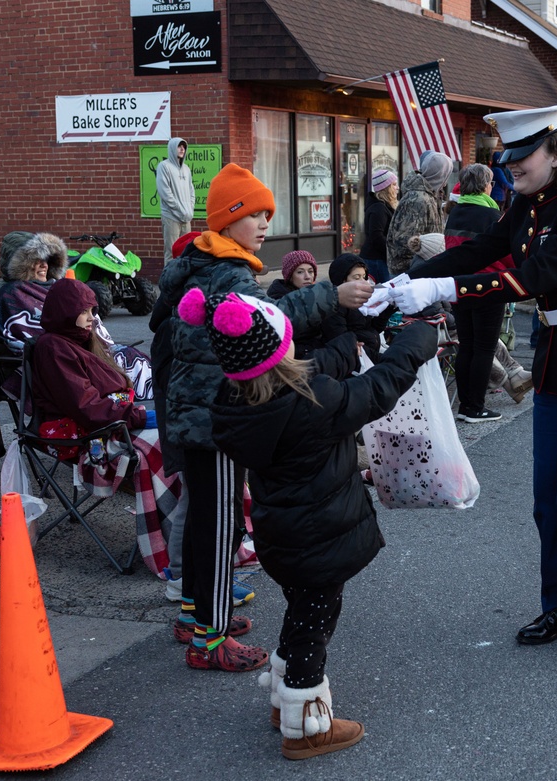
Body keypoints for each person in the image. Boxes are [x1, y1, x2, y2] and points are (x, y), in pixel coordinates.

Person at [387, 102, 557, 658]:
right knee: (547, 499)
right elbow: (484, 249)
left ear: (556, 153)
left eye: (522, 156)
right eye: (506, 158)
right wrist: (406, 280)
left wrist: (443, 292)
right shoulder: (526, 207)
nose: (511, 166)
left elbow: (532, 277)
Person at [195, 289, 437, 759]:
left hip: (280, 537)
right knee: (315, 620)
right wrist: (416, 343)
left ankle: (285, 698)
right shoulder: (313, 402)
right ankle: (306, 724)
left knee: (303, 610)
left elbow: (314, 372)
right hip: (320, 539)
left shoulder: (237, 401)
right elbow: (375, 390)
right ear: (279, 350)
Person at [154, 163, 373, 671]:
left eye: (268, 215)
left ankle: (194, 614)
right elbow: (268, 323)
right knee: (220, 526)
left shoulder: (196, 263)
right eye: (256, 214)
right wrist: (331, 297)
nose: (266, 224)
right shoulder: (229, 273)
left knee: (209, 518)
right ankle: (209, 640)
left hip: (192, 412)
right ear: (229, 220)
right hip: (217, 419)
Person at [29, 277, 182, 577]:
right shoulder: (53, 347)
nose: (91, 319)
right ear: (64, 311)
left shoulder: (80, 339)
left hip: (111, 422)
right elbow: (84, 405)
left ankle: (180, 536)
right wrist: (136, 417)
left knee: (176, 441)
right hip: (84, 435)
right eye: (85, 311)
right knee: (162, 446)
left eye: (93, 311)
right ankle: (168, 544)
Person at [0, 231, 152, 398]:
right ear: (20, 264)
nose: (44, 265)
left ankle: (137, 407)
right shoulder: (14, 294)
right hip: (63, 361)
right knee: (130, 362)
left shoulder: (53, 286)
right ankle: (130, 408)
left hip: (86, 352)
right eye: (35, 260)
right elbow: (30, 338)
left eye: (46, 259)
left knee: (136, 358)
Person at [443, 163, 526, 422]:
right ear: (484, 185)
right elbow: (509, 255)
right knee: (484, 349)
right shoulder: (491, 216)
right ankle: (475, 407)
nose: (493, 186)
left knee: (466, 347)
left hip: (459, 288)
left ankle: (466, 405)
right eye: (490, 182)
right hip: (489, 288)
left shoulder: (455, 214)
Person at [385, 150, 453, 276]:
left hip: (422, 268)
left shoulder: (431, 195)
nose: (447, 180)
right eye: (447, 174)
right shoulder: (418, 199)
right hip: (408, 272)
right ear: (440, 174)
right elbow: (404, 241)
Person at [322, 253, 393, 363]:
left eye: (364, 277)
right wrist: (385, 360)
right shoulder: (334, 309)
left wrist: (389, 307)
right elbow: (347, 345)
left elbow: (373, 329)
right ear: (343, 281)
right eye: (356, 277)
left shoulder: (362, 300)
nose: (364, 282)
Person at [156, 137, 195, 265]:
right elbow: (165, 193)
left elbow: (191, 191)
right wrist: (180, 210)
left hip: (186, 218)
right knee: (171, 252)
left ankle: (182, 282)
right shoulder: (164, 166)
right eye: (179, 146)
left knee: (186, 251)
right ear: (172, 148)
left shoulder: (187, 169)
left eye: (184, 146)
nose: (182, 149)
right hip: (171, 216)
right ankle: (169, 283)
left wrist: (189, 210)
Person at [359, 167, 398, 283]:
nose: (397, 188)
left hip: (379, 258)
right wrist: (393, 251)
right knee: (384, 292)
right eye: (394, 184)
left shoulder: (383, 206)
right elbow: (376, 237)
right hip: (376, 260)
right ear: (386, 188)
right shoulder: (379, 208)